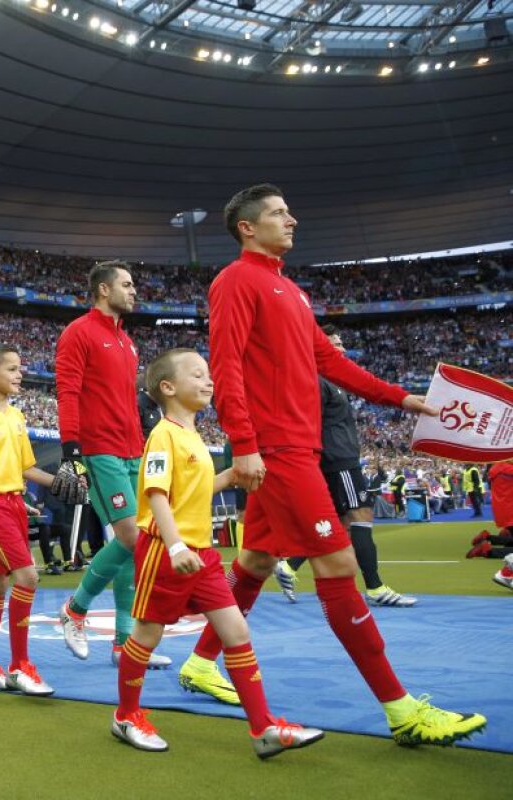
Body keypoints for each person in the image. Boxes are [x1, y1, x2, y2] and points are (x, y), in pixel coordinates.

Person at [180, 183, 484, 746]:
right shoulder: (235, 281)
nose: (291, 220)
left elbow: (328, 360)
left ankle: (200, 663)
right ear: (248, 227)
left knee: (255, 560)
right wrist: (244, 443)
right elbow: (223, 365)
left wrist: (399, 396)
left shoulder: (289, 290)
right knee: (339, 566)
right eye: (277, 213)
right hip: (275, 449)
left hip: (298, 446)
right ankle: (401, 710)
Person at [110, 348, 324, 757]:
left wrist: (231, 476)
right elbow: (155, 495)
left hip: (202, 554)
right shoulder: (163, 434)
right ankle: (125, 716)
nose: (209, 382)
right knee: (148, 634)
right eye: (198, 375)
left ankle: (263, 728)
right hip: (164, 550)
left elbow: (193, 491)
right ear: (168, 387)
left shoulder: (192, 436)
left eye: (209, 375)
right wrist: (173, 546)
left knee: (237, 631)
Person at [0, 344, 86, 696]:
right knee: (28, 576)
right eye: (12, 369)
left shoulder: (16, 416)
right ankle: (20, 665)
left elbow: (25, 468)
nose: (20, 374)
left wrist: (62, 483)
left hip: (13, 503)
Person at [55, 262, 167, 667]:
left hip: (132, 449)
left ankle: (124, 643)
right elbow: (67, 392)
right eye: (127, 284)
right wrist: (71, 449)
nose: (134, 290)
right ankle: (75, 609)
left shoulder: (127, 342)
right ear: (104, 290)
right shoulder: (78, 333)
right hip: (99, 450)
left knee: (134, 544)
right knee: (131, 538)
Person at [273, 327, 416, 608]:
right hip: (338, 459)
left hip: (339, 456)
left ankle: (289, 566)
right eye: (334, 344)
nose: (340, 349)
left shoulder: (332, 381)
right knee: (360, 515)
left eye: (341, 344)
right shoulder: (316, 380)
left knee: (336, 522)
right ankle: (375, 588)